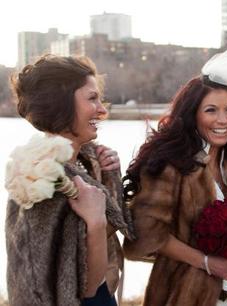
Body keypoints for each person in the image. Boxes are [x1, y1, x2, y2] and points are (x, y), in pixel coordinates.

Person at [5, 54, 133, 306]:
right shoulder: (43, 180)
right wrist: (95, 221)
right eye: (92, 98)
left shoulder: (80, 165)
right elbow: (85, 286)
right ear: (61, 104)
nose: (103, 109)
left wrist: (107, 177)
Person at [122, 75, 227, 306]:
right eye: (211, 110)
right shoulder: (171, 164)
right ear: (192, 114)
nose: (223, 119)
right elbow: (147, 235)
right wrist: (206, 262)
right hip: (182, 294)